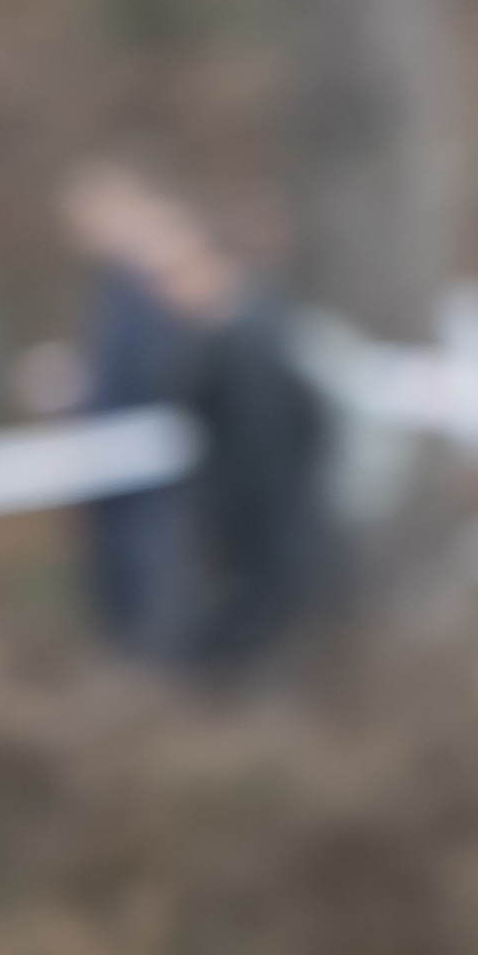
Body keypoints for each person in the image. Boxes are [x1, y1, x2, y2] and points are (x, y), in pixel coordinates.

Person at [150, 195, 338, 680]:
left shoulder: (249, 345)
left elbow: (263, 456)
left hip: (261, 544)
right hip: (253, 542)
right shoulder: (229, 339)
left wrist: (230, 542)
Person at [58, 161, 200, 662]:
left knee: (152, 596)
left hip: (153, 475)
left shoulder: (153, 282)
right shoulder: (111, 284)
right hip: (114, 471)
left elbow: (162, 371)